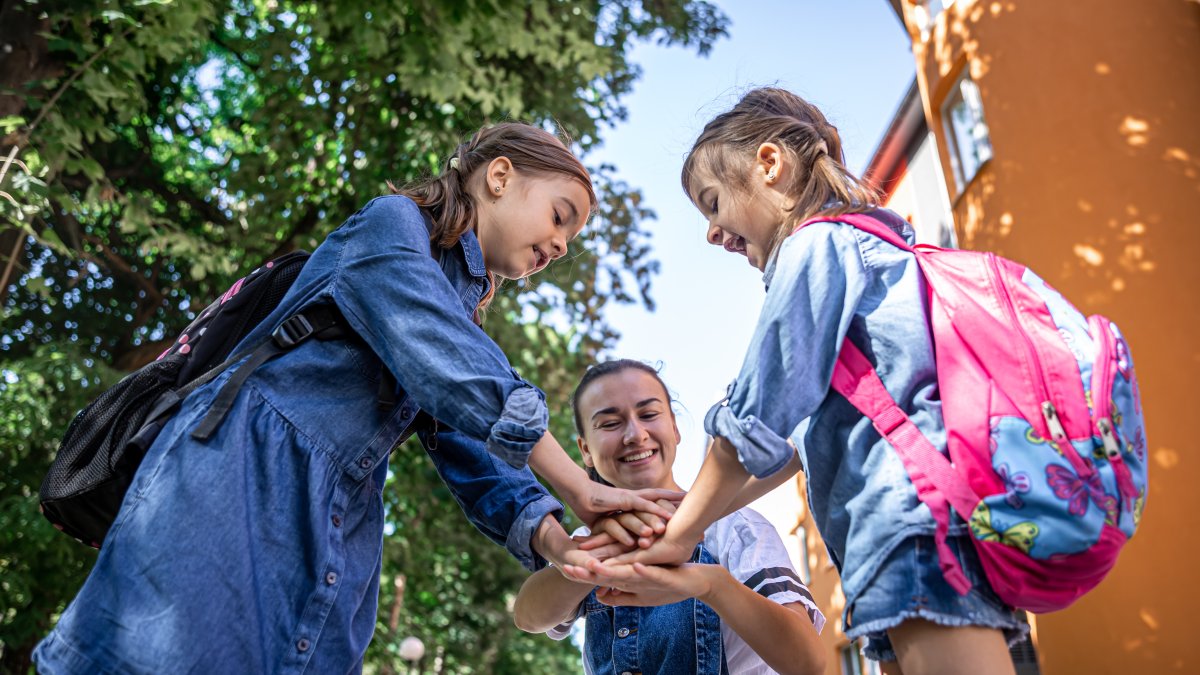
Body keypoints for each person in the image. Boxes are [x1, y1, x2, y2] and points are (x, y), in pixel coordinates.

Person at [33, 122, 675, 674]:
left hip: (340, 514)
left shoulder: (463, 321)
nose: (561, 245)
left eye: (571, 239)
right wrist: (580, 488)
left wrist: (559, 542)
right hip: (240, 472)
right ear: (500, 176)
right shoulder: (390, 227)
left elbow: (472, 445)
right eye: (560, 215)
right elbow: (439, 350)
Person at [573, 89, 1029, 675]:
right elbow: (791, 453)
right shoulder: (870, 253)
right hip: (893, 531)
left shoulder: (821, 245)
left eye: (712, 203)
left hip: (910, 523)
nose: (711, 233)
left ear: (769, 164)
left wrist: (676, 537)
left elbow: (752, 421)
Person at [514, 360, 826, 675]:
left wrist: (712, 586)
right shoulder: (587, 540)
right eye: (610, 423)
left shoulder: (736, 529)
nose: (635, 434)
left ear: (675, 428)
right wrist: (594, 557)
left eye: (648, 414)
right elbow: (527, 616)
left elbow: (809, 662)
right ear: (585, 450)